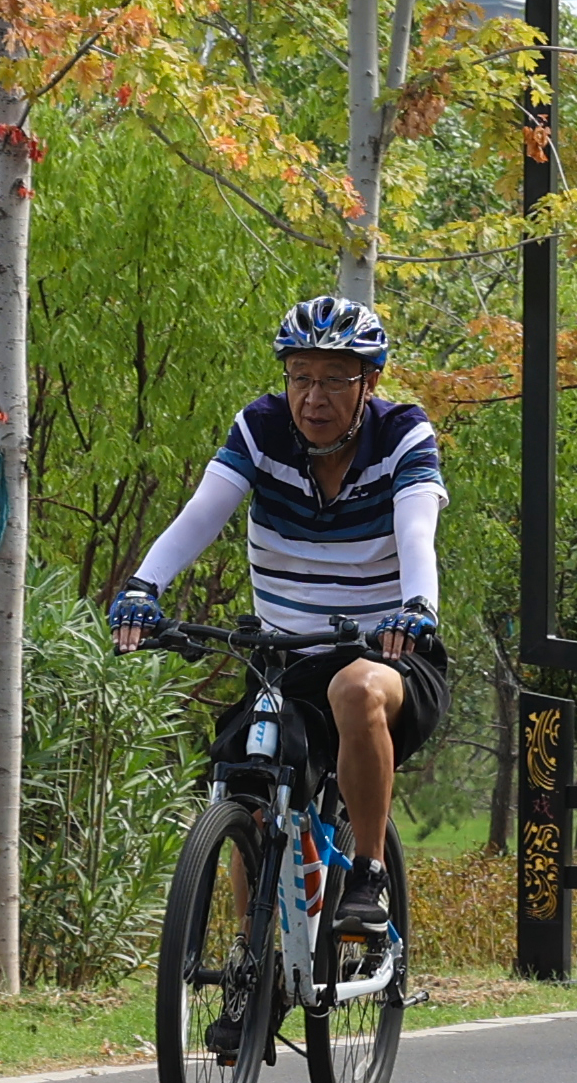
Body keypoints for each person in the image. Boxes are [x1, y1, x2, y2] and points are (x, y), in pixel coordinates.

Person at [106, 293, 443, 930]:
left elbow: (417, 527)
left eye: (334, 380)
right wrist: (143, 586)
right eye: (300, 378)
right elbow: (203, 512)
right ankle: (249, 970)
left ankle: (367, 877)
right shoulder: (261, 429)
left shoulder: (402, 434)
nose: (313, 397)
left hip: (391, 653)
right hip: (286, 660)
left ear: (369, 382)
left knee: (355, 687)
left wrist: (417, 605)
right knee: (248, 792)